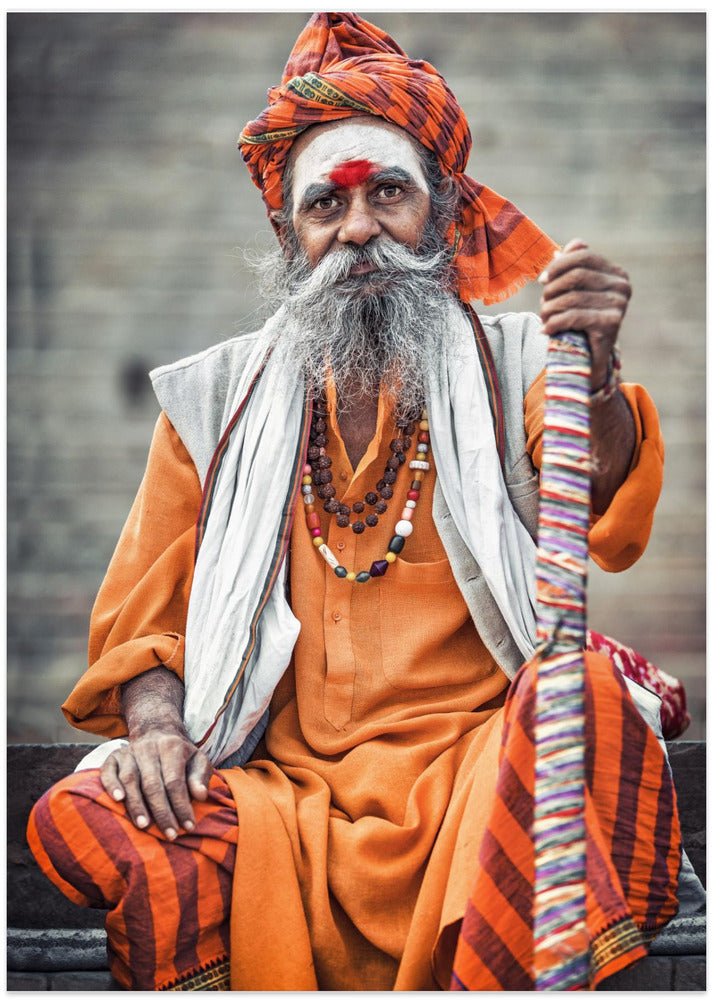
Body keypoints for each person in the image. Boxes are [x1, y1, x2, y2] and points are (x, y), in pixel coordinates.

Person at [28, 12, 686, 992]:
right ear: (287, 235)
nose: (359, 229)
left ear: (444, 211)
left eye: (389, 194)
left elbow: (595, 501)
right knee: (76, 817)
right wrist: (157, 730)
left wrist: (590, 373)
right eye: (324, 207)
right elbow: (143, 628)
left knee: (578, 699)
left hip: (475, 787)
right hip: (278, 810)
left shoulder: (520, 366)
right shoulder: (210, 405)